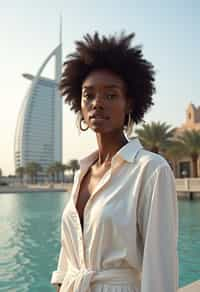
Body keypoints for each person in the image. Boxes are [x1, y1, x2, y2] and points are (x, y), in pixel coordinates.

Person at [51, 32, 178, 292]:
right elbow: (68, 259)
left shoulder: (151, 170)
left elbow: (160, 267)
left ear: (128, 103)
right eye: (89, 95)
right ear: (80, 104)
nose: (97, 103)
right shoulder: (82, 173)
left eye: (110, 95)